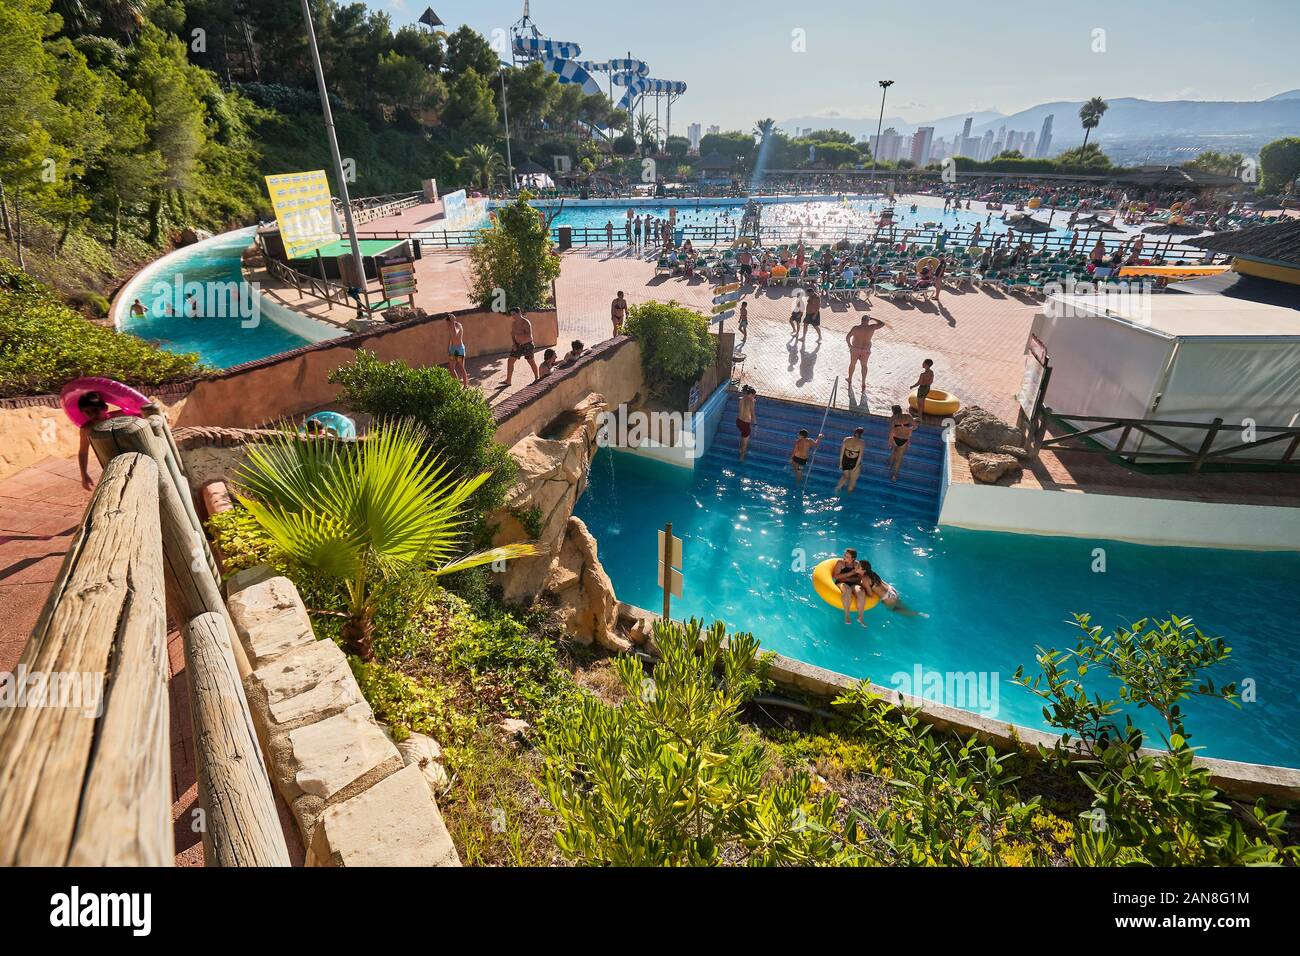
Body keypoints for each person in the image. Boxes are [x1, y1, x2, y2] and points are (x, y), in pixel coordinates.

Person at [75, 391, 137, 490]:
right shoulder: (86, 429)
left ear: (105, 408)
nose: (92, 415)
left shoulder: (120, 416)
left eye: (95, 410)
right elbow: (83, 452)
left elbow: (140, 415)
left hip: (134, 457)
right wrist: (84, 474)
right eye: (87, 412)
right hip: (110, 464)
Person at [845, 315, 886, 391]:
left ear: (861, 320)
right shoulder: (872, 327)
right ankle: (863, 383)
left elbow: (847, 337)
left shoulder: (856, 328)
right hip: (865, 350)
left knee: (852, 364)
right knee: (864, 365)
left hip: (855, 349)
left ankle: (850, 379)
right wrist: (873, 318)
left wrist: (849, 345)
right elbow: (882, 323)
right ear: (868, 321)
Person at [832, 548, 870, 626]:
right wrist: (851, 573)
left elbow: (859, 578)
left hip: (853, 582)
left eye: (847, 556)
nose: (844, 557)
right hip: (841, 583)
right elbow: (836, 576)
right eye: (845, 555)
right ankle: (847, 615)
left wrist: (850, 578)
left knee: (861, 592)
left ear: (853, 559)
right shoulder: (840, 563)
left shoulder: (857, 564)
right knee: (847, 590)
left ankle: (860, 617)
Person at [505, 309, 540, 384]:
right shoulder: (514, 323)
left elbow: (528, 335)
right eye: (511, 315)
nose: (513, 316)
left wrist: (517, 333)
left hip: (527, 345)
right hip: (517, 345)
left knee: (531, 361)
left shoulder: (526, 323)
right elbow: (513, 335)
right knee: (510, 361)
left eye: (514, 314)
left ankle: (537, 377)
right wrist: (514, 344)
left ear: (519, 313)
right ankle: (508, 380)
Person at [834, 427, 866, 494]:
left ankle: (837, 489)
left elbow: (842, 452)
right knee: (852, 482)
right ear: (861, 434)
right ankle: (847, 496)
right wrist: (855, 467)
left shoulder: (846, 439)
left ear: (854, 432)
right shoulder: (862, 442)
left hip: (845, 461)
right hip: (854, 462)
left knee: (845, 476)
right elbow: (860, 457)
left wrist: (840, 464)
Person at [888, 404, 915, 482]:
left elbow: (891, 431)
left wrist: (890, 441)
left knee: (893, 451)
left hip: (895, 438)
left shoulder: (893, 418)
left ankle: (890, 465)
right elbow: (914, 426)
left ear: (893, 412)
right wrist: (908, 429)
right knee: (899, 459)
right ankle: (894, 476)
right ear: (901, 410)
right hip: (904, 439)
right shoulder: (908, 416)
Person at [444, 313, 468, 386]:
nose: (447, 324)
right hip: (453, 349)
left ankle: (465, 385)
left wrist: (453, 323)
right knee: (451, 368)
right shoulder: (450, 326)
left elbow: (455, 334)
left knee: (461, 368)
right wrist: (448, 348)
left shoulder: (458, 325)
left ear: (451, 321)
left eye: (448, 322)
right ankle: (456, 385)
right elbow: (450, 337)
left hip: (459, 349)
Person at [736, 385, 757, 461]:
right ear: (751, 394)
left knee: (743, 435)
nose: (755, 396)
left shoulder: (741, 399)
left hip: (738, 421)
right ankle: (741, 457)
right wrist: (755, 423)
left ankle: (740, 449)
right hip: (745, 424)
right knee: (745, 441)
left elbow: (743, 399)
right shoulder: (752, 401)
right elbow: (752, 413)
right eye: (754, 395)